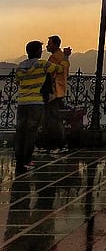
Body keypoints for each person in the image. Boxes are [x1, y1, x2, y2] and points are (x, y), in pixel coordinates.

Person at [14, 41, 66, 175]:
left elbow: (18, 81)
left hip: (22, 102)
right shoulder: (42, 64)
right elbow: (60, 69)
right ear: (37, 51)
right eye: (40, 49)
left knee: (20, 133)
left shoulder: (19, 67)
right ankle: (27, 161)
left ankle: (19, 161)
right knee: (31, 132)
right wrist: (65, 57)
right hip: (36, 102)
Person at [44, 35, 72, 153]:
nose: (47, 46)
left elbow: (55, 72)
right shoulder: (60, 57)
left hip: (54, 91)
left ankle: (59, 144)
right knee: (54, 118)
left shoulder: (55, 58)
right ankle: (57, 144)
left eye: (49, 43)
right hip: (58, 91)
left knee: (53, 119)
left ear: (55, 45)